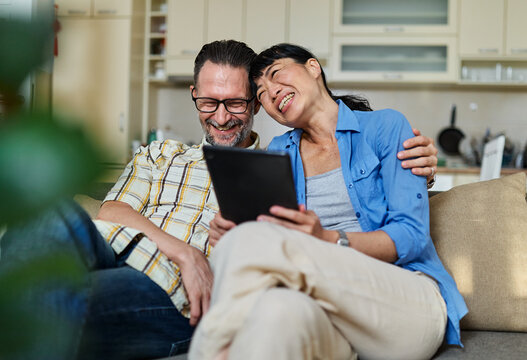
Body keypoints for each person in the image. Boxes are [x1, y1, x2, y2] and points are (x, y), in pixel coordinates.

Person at [0, 40, 439, 360]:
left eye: (236, 102)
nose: (222, 116)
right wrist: (184, 251)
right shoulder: (162, 152)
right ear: (194, 96)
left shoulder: (275, 163)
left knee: (46, 300)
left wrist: (421, 170)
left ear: (253, 107)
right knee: (46, 213)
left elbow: (337, 214)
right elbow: (112, 211)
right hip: (116, 247)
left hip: (169, 289)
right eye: (209, 102)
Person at [188, 43, 467, 360]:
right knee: (274, 311)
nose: (271, 93)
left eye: (276, 74)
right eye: (261, 93)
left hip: (403, 303)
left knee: (254, 242)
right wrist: (234, 232)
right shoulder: (278, 152)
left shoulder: (384, 127)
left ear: (312, 67)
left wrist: (327, 239)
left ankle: (206, 349)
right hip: (327, 316)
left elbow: (413, 237)